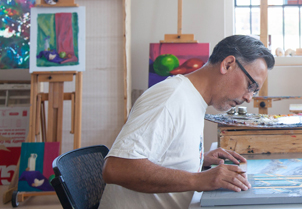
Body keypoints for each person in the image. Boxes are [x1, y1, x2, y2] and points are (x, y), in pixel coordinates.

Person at [100, 35, 275, 209]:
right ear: (228, 64)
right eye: (251, 86)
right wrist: (198, 179)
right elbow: (117, 168)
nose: (249, 98)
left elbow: (159, 155)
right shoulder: (170, 97)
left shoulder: (193, 99)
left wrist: (197, 159)